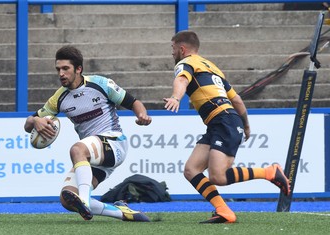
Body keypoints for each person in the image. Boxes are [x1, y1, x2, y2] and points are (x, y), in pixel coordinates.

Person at [163, 30, 290, 224]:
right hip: (222, 121)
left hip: (223, 120)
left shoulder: (185, 64)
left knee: (218, 176)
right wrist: (246, 125)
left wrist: (175, 97)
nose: (171, 53)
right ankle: (224, 211)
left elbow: (181, 80)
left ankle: (269, 172)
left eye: (172, 48)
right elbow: (237, 100)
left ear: (182, 48)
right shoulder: (213, 67)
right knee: (191, 169)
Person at [24, 46, 152, 222]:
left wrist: (142, 115)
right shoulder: (59, 98)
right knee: (67, 198)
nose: (61, 73)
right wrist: (35, 121)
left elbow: (133, 102)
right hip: (92, 156)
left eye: (65, 69)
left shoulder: (101, 84)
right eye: (58, 69)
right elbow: (27, 124)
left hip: (114, 143)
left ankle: (84, 200)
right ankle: (121, 212)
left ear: (78, 69)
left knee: (77, 150)